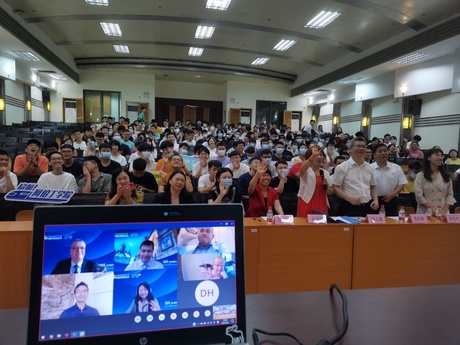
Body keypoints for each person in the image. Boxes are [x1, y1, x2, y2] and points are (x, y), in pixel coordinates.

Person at [332, 137, 379, 216]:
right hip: (349, 206)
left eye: (363, 146)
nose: (361, 148)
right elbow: (335, 187)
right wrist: (349, 198)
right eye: (358, 146)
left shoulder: (370, 167)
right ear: (350, 149)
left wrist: (376, 200)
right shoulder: (342, 167)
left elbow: (373, 186)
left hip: (368, 206)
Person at [414, 148, 456, 216]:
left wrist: (444, 211)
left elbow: (450, 195)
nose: (440, 157)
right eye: (437, 155)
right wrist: (433, 212)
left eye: (441, 155)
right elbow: (419, 196)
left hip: (443, 212)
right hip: (426, 212)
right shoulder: (421, 175)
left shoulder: (446, 176)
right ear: (429, 158)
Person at [371, 144, 407, 216]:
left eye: (385, 151)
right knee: (373, 224)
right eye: (380, 151)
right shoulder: (369, 168)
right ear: (374, 155)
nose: (383, 153)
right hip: (373, 201)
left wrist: (393, 194)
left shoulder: (396, 167)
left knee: (392, 223)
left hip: (391, 199)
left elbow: (402, 183)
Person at [296, 146, 333, 216]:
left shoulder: (325, 173)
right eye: (316, 154)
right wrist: (312, 157)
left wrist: (327, 187)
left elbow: (330, 192)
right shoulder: (306, 170)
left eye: (321, 155)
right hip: (307, 202)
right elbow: (301, 172)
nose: (319, 157)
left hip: (322, 202)